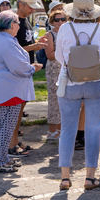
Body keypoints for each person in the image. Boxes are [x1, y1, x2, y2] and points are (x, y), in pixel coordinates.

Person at [55, 0, 100, 189]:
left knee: (67, 129)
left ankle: (65, 177)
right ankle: (89, 176)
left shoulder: (64, 28)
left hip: (70, 81)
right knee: (93, 129)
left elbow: (59, 56)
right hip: (96, 81)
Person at [0, 11, 42, 173]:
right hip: (8, 90)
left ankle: (2, 159)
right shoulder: (6, 42)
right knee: (6, 128)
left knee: (4, 127)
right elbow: (18, 67)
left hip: (5, 89)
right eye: (16, 22)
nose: (18, 25)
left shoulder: (3, 39)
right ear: (10, 25)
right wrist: (33, 67)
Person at [13, 0, 47, 150]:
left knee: (20, 107)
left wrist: (35, 45)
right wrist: (34, 47)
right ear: (20, 5)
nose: (33, 10)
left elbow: (25, 43)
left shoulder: (25, 21)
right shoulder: (13, 23)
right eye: (30, 7)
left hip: (25, 70)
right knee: (15, 108)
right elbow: (12, 49)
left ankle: (14, 141)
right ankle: (12, 143)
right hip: (16, 72)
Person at [43, 8, 66, 141]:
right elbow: (50, 55)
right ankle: (52, 130)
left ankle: (61, 127)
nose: (61, 22)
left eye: (63, 19)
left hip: (65, 70)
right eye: (57, 20)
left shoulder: (68, 34)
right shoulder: (50, 35)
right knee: (54, 100)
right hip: (54, 70)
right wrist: (66, 53)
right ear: (52, 21)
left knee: (64, 100)